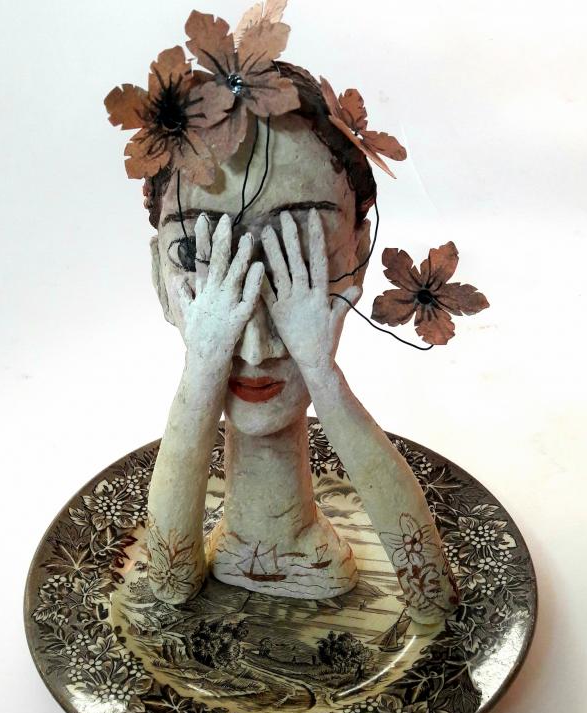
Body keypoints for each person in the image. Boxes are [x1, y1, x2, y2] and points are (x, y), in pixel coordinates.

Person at [138, 63, 459, 624]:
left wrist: (323, 373)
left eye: (300, 259)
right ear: (160, 281)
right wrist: (203, 365)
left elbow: (434, 604)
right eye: (199, 260)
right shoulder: (228, 345)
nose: (255, 346)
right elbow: (171, 583)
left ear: (358, 255)